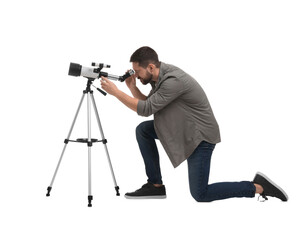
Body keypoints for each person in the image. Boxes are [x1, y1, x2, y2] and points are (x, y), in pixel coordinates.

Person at [100, 46, 288, 202]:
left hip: (200, 138)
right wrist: (132, 87)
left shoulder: (172, 81)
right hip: (182, 130)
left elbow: (146, 109)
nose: (137, 76)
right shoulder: (158, 79)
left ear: (150, 67)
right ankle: (155, 185)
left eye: (138, 72)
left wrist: (116, 92)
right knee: (144, 130)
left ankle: (258, 187)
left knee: (200, 194)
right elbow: (149, 105)